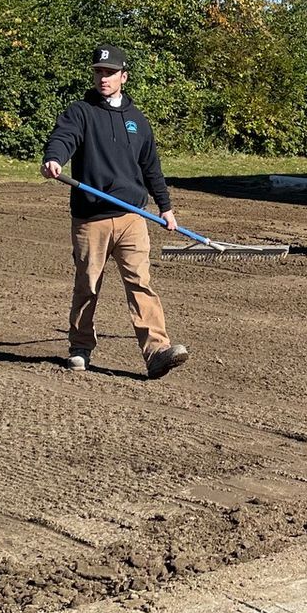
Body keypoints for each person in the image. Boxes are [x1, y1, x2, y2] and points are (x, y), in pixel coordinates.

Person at [40, 45, 190, 379]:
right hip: (90, 217)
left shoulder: (138, 120)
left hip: (132, 217)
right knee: (88, 285)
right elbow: (63, 138)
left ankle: (156, 352)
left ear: (124, 76)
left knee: (140, 283)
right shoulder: (80, 112)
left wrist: (166, 208)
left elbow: (151, 167)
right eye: (99, 72)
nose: (103, 78)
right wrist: (55, 158)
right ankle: (80, 347)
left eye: (109, 72)